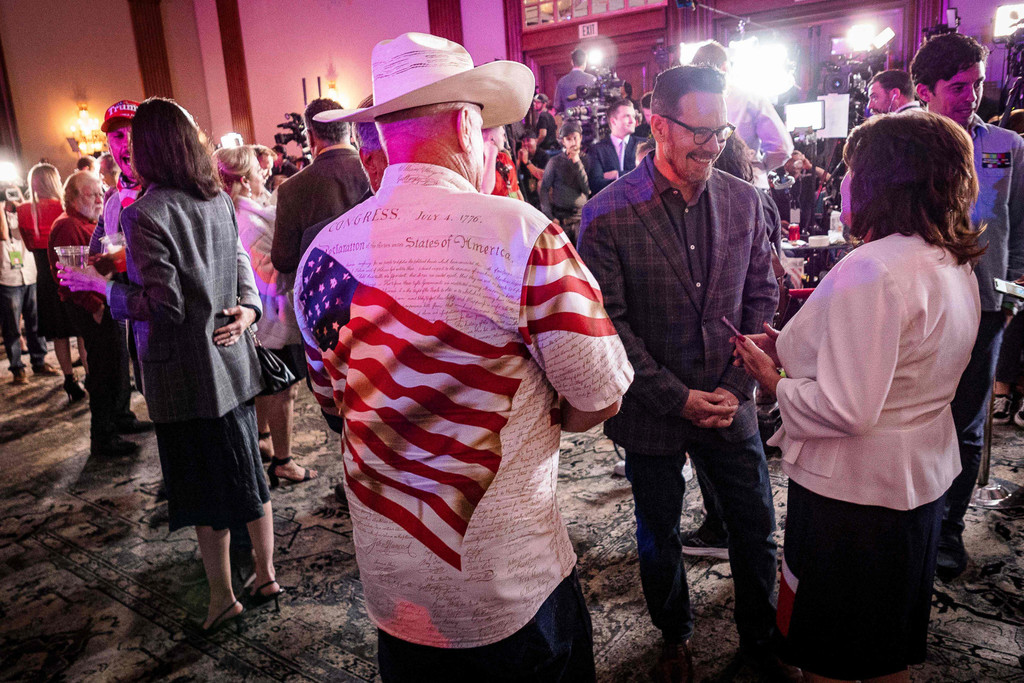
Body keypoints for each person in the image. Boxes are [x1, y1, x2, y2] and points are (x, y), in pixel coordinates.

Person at [301, 32, 632, 681]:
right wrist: (540, 413)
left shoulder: (321, 254)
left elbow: (334, 406)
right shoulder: (522, 234)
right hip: (511, 585)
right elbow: (602, 395)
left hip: (395, 593)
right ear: (463, 125)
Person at [734, 111, 982, 683]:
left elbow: (847, 409)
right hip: (916, 480)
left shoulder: (872, 267)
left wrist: (774, 381)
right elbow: (903, 362)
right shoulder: (949, 257)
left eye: (850, 171)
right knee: (884, 647)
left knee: (834, 659)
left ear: (880, 182)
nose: (841, 182)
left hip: (854, 497)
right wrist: (789, 347)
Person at [577, 65, 787, 683]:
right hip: (652, 410)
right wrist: (677, 397)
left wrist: (736, 386)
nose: (713, 144)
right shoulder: (607, 213)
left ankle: (761, 643)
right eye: (700, 131)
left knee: (756, 528)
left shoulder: (744, 198)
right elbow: (609, 325)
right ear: (659, 125)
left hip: (729, 397)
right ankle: (674, 636)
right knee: (658, 533)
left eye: (721, 131)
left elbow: (761, 297)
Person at [59, 97, 280, 634]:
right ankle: (267, 575)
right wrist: (250, 310)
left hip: (182, 373)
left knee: (203, 489)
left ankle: (222, 598)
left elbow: (167, 306)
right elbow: (242, 269)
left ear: (151, 148)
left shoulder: (145, 212)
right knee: (248, 472)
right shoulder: (217, 198)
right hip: (230, 358)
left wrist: (103, 288)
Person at [911, 32, 1024, 581]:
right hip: (920, 307)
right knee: (913, 417)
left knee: (967, 423)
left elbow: (1019, 226)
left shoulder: (1006, 145)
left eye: (976, 84)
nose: (971, 96)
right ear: (924, 91)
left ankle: (948, 530)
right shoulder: (905, 142)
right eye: (957, 86)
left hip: (986, 306)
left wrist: (1014, 293)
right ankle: (912, 521)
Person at [213, 145, 318, 486]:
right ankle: (284, 461)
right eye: (258, 171)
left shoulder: (246, 213)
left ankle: (263, 439)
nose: (264, 174)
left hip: (268, 318)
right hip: (271, 318)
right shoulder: (248, 220)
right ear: (244, 180)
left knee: (268, 387)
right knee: (282, 390)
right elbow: (270, 276)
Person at [48, 171, 140, 457]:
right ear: (73, 198)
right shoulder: (67, 225)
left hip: (107, 300)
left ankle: (122, 417)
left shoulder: (89, 222)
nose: (100, 199)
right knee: (103, 371)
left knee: (117, 362)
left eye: (101, 192)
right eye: (92, 194)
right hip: (94, 307)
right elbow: (69, 275)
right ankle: (103, 436)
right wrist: (95, 306)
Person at [270, 98, 370, 274]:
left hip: (321, 286)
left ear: (310, 137)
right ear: (349, 130)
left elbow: (283, 260)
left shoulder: (290, 189)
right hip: (374, 282)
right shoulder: (375, 171)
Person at [691, 41, 794, 190]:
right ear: (725, 66)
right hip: (749, 182)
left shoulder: (688, 102)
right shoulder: (751, 97)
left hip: (704, 186)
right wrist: (759, 166)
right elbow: (781, 148)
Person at [17, 164, 79, 397]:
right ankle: (91, 376)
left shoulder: (24, 210)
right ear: (55, 181)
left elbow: (29, 246)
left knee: (58, 334)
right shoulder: (65, 208)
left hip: (45, 277)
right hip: (69, 273)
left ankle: (69, 379)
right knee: (82, 331)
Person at [0, 200, 47, 384]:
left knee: (35, 323)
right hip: (7, 277)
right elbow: (4, 234)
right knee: (12, 327)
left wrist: (20, 207)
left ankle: (39, 361)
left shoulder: (20, 211)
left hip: (29, 273)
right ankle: (17, 368)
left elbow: (24, 232)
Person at [539, 119, 590, 244]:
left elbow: (586, 189)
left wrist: (577, 162)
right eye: (568, 139)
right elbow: (544, 188)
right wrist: (549, 216)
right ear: (563, 141)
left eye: (575, 138)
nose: (573, 142)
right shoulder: (555, 162)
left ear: (581, 138)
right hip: (561, 218)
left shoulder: (586, 160)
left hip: (581, 218)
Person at [587, 99, 643, 194]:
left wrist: (617, 175)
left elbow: (647, 176)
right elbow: (596, 185)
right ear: (613, 121)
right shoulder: (597, 150)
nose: (632, 121)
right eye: (627, 116)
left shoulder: (643, 144)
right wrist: (632, 178)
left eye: (633, 116)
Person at [481, 126, 523, 199]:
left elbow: (516, 189)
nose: (504, 139)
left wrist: (523, 204)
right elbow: (485, 191)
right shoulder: (481, 163)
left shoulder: (505, 157)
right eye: (502, 135)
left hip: (514, 203)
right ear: (492, 139)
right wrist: (491, 154)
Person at [555, 47, 597, 114]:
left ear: (572, 62)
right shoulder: (592, 79)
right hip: (588, 118)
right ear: (585, 62)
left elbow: (557, 106)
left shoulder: (562, 81)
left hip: (569, 117)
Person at [516, 128, 547, 209]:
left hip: (540, 194)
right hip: (525, 191)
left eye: (528, 140)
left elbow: (544, 176)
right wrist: (518, 161)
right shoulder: (519, 154)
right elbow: (513, 176)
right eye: (523, 141)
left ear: (536, 141)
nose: (525, 144)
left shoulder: (543, 155)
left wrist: (527, 162)